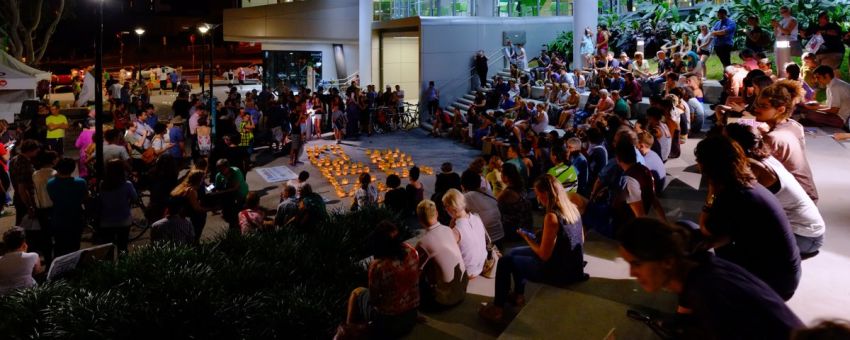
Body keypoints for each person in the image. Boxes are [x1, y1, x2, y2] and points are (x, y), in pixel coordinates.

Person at [617, 218, 803, 339]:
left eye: (636, 263)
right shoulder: (703, 267)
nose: (632, 273)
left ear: (667, 261)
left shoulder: (710, 295)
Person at [694, 135, 801, 301]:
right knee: (706, 241)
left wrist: (711, 193)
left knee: (700, 257)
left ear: (706, 166)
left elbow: (706, 229)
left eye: (698, 161)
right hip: (786, 274)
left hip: (775, 284)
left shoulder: (734, 195)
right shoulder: (746, 184)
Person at [480, 174, 586, 323]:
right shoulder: (572, 208)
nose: (537, 198)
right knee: (513, 253)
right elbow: (581, 239)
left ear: (546, 194)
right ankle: (518, 295)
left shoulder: (551, 217)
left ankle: (497, 308)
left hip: (559, 272)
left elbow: (543, 255)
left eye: (538, 194)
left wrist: (528, 238)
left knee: (505, 262)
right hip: (572, 265)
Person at [725, 123, 826, 257]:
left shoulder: (754, 167)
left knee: (733, 232)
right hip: (811, 233)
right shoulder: (764, 157)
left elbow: (738, 204)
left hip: (805, 238)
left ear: (735, 146)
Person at [343, 221, 419, 338]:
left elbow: (374, 300)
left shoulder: (379, 266)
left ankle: (348, 330)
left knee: (356, 292)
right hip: (411, 317)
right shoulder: (412, 252)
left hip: (389, 325)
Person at [756, 81, 819, 203]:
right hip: (808, 193)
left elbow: (757, 173)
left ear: (780, 109)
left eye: (763, 106)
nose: (756, 109)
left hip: (793, 201)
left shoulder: (773, 138)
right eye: (757, 105)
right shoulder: (794, 125)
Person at [415, 200, 468, 309]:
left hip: (444, 301)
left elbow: (416, 272)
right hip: (462, 290)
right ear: (437, 213)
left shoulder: (423, 243)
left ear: (420, 219)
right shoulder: (448, 230)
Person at [441, 189, 487, 279]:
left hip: (468, 272)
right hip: (482, 265)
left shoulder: (456, 231)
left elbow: (446, 253)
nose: (445, 210)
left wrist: (450, 229)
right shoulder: (477, 218)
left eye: (445, 207)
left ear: (452, 208)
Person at [95, 159, 137, 253]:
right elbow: (135, 198)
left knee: (108, 250)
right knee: (122, 248)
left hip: (106, 220)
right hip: (124, 220)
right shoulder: (127, 184)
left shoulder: (102, 184)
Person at [461, 170, 504, 246]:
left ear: (463, 185)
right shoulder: (487, 191)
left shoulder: (468, 196)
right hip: (500, 235)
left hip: (488, 240)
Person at [804, 65, 850, 129]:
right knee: (810, 113)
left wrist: (815, 109)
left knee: (811, 114)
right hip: (839, 116)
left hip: (843, 120)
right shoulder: (832, 84)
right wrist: (816, 107)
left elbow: (834, 110)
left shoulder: (835, 87)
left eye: (818, 77)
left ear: (827, 76)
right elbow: (830, 106)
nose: (816, 80)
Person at [0, 227, 43, 295]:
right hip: (28, 293)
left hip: (4, 296)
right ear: (23, 243)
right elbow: (37, 272)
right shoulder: (33, 256)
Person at [170, 170, 209, 243]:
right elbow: (197, 208)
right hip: (192, 217)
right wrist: (212, 208)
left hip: (181, 216)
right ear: (199, 180)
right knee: (194, 236)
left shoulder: (183, 186)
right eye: (203, 179)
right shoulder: (191, 191)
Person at [498, 163, 533, 242]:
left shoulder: (507, 193)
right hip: (527, 227)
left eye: (501, 174)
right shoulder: (521, 187)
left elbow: (495, 206)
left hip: (515, 232)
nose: (500, 176)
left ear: (506, 177)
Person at [10, 140, 40, 226]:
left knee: (20, 224)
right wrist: (29, 206)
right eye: (36, 150)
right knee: (27, 226)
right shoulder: (24, 163)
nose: (37, 152)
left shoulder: (14, 159)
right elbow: (22, 188)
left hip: (18, 197)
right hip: (24, 199)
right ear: (30, 150)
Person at [214, 159, 249, 231]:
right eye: (218, 169)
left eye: (222, 169)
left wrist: (221, 191)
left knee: (239, 212)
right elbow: (217, 187)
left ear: (228, 167)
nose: (220, 171)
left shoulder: (236, 171)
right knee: (230, 216)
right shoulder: (219, 175)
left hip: (240, 194)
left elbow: (236, 187)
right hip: (229, 197)